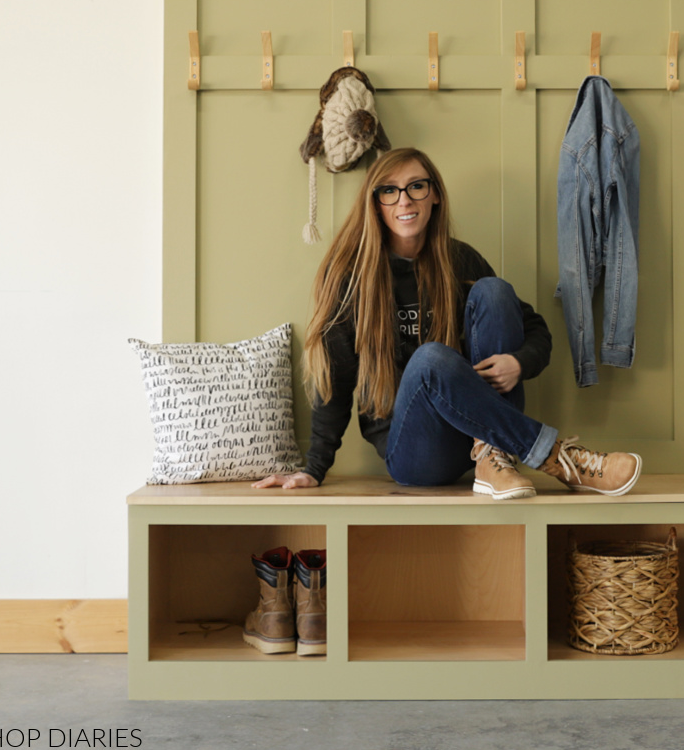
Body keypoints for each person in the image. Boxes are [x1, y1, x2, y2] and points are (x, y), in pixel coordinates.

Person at [252, 147, 641, 499]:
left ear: (434, 194)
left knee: (493, 291)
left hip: (472, 440)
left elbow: (536, 329)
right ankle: (560, 458)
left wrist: (520, 362)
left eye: (416, 186)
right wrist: (314, 468)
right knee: (430, 360)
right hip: (413, 452)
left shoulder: (460, 261)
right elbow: (333, 379)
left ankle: (494, 459)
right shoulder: (351, 276)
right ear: (376, 203)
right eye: (389, 190)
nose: (404, 200)